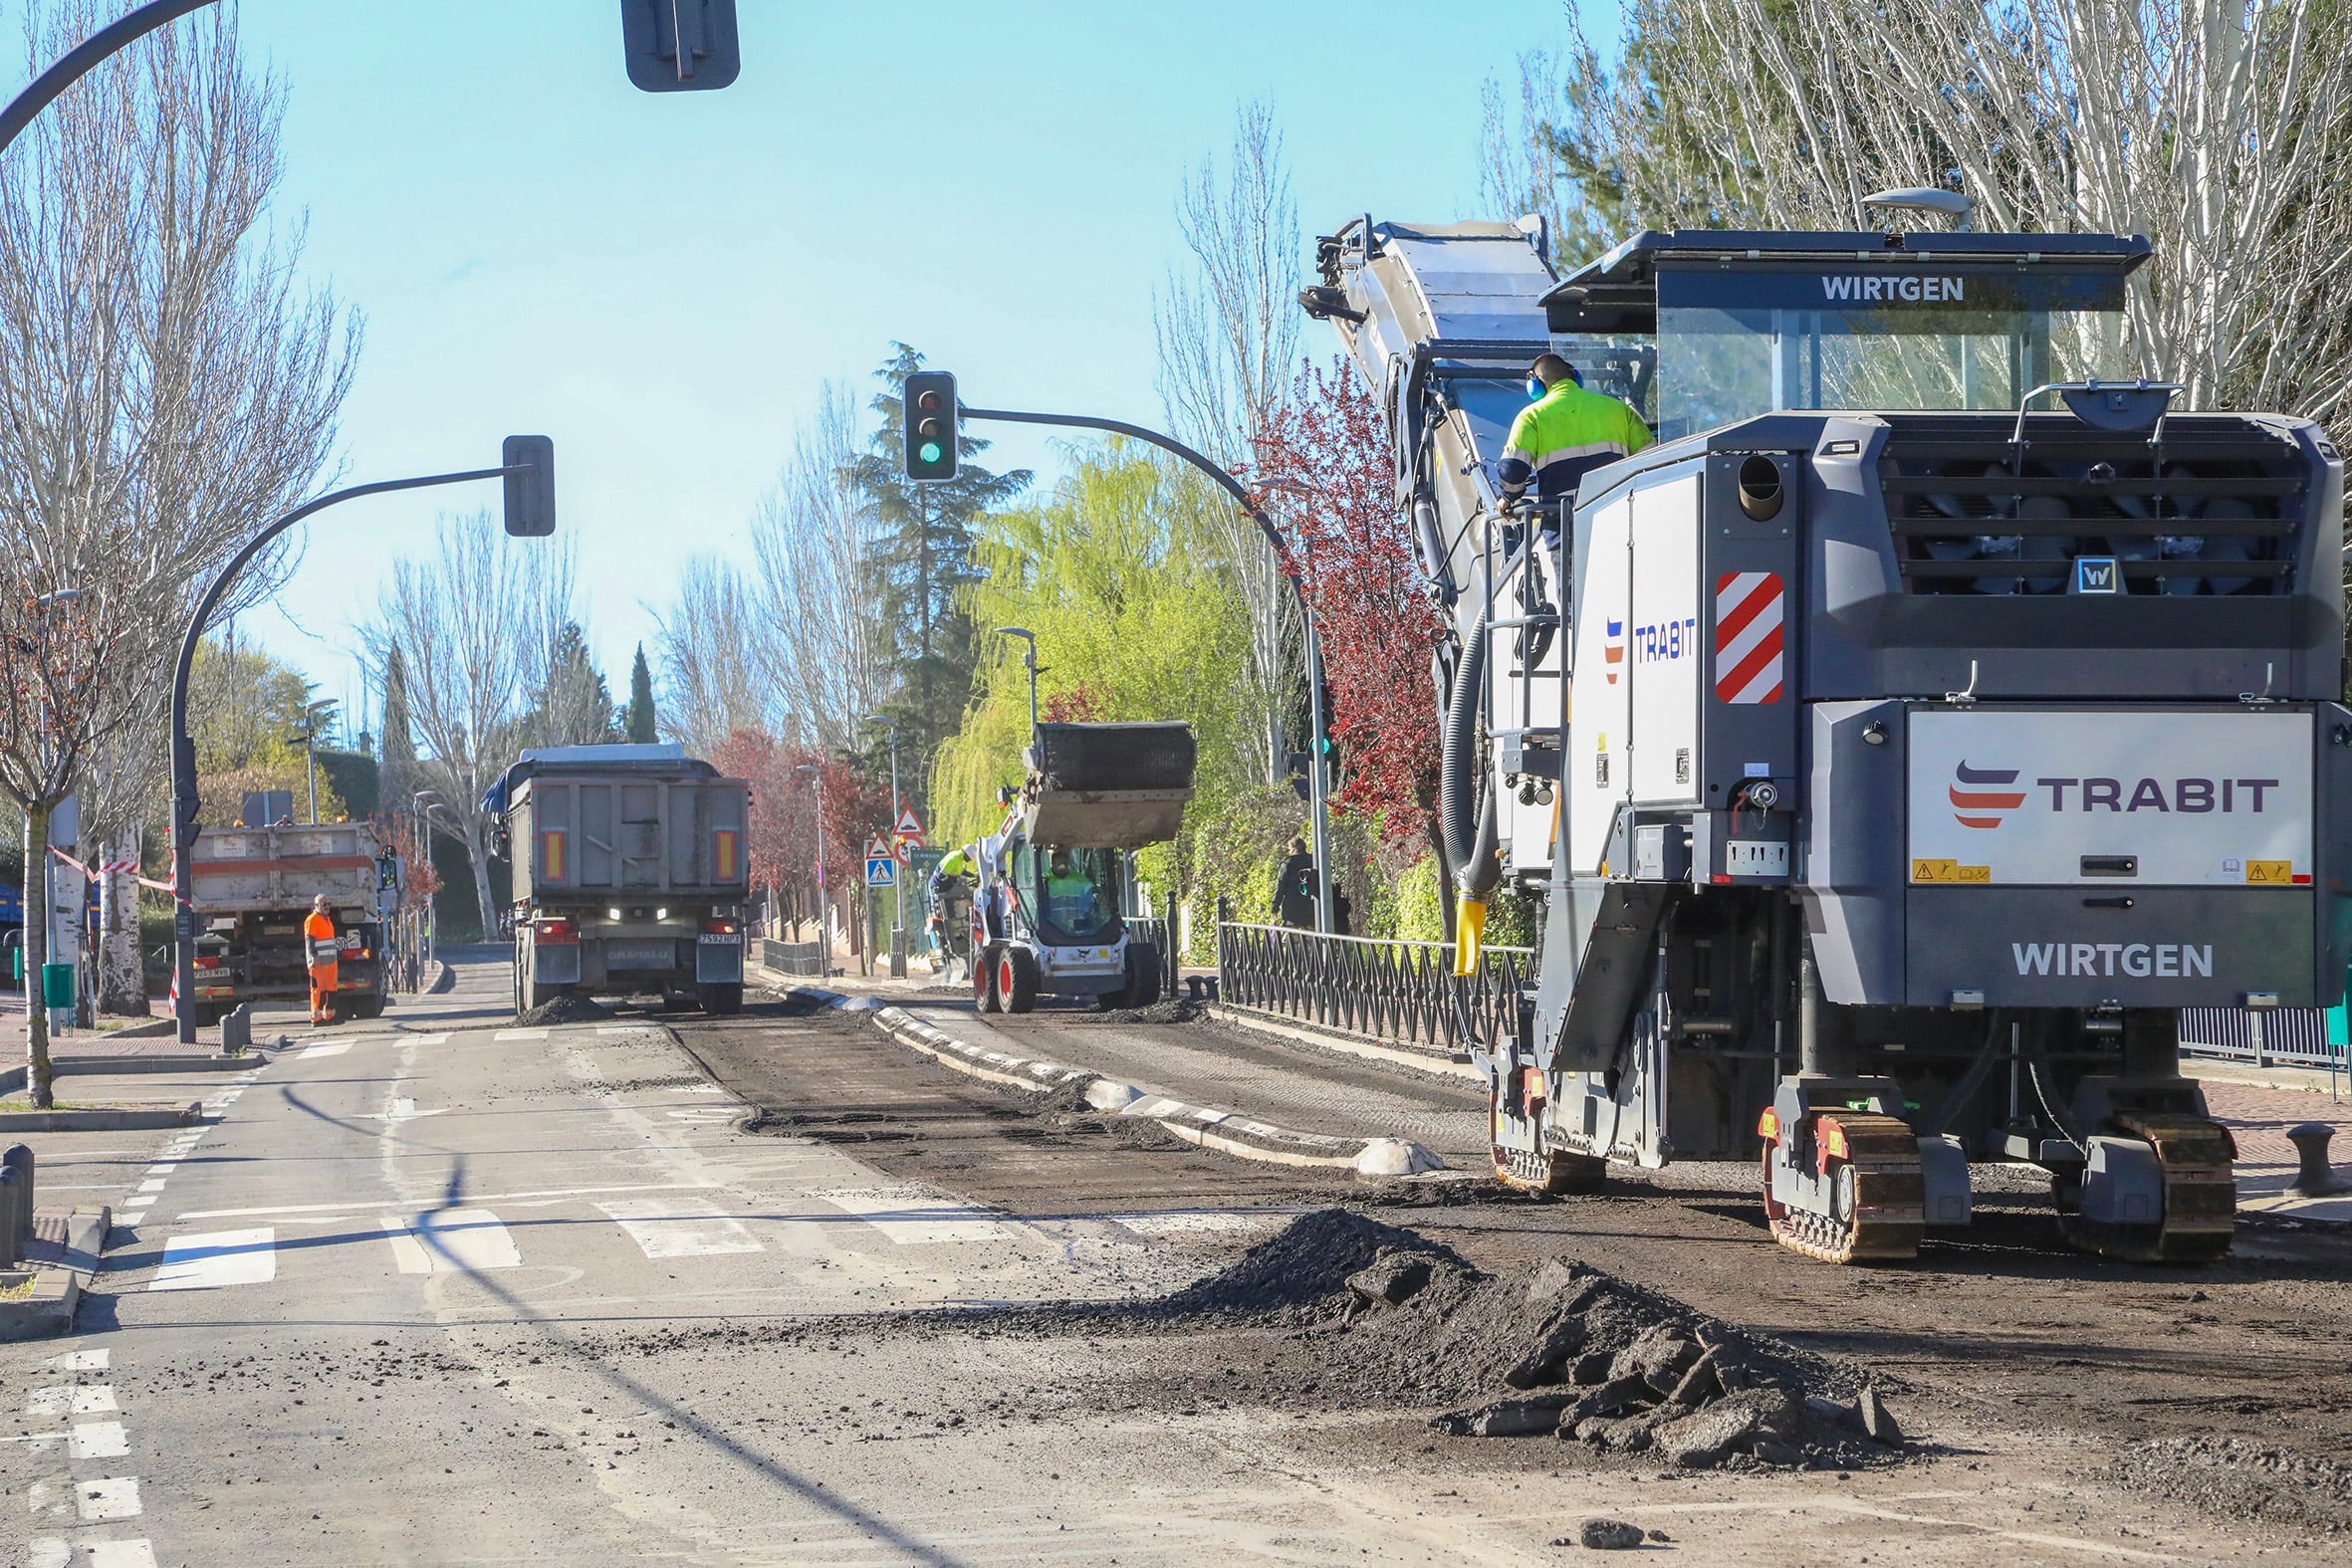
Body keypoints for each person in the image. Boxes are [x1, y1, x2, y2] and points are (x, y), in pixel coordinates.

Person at [1497, 353, 1652, 517]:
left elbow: (1512, 468)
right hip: (1615, 514)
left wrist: (1508, 497)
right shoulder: (1620, 409)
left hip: (1563, 521)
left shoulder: (1531, 416)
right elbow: (1650, 456)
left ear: (1535, 385)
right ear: (1576, 377)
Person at [303, 894, 341, 1026]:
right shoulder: (312, 920)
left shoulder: (327, 920)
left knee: (331, 989)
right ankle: (317, 1018)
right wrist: (313, 957)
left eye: (328, 904)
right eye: (324, 904)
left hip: (330, 962)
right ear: (316, 905)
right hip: (318, 962)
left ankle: (329, 1015)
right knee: (318, 990)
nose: (327, 907)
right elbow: (310, 941)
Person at [1043, 848, 1097, 932]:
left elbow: (1093, 893)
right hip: (1052, 925)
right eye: (1059, 863)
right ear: (1052, 863)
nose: (1063, 866)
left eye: (1065, 863)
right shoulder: (1044, 879)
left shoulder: (1079, 879)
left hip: (1078, 925)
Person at [1275, 836, 1316, 930]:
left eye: (1289, 849)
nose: (1289, 851)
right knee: (1310, 937)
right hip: (1311, 908)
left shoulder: (1288, 863)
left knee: (1292, 938)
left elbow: (1281, 886)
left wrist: (1274, 907)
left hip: (1292, 909)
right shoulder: (1314, 861)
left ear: (1294, 848)